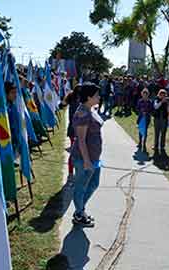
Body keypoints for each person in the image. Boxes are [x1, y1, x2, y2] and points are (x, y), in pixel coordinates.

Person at [70, 83, 103, 227]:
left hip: (94, 157)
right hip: (84, 158)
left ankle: (80, 210)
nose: (99, 97)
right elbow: (81, 140)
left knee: (94, 184)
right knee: (81, 186)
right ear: (89, 97)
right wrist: (87, 160)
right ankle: (79, 214)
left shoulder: (90, 109)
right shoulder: (82, 113)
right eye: (96, 95)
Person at [153, 89, 169, 153]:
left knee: (163, 133)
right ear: (159, 94)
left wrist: (168, 104)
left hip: (164, 119)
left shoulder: (168, 101)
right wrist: (161, 102)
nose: (162, 96)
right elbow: (156, 107)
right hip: (157, 118)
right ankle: (155, 146)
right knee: (157, 133)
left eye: (164, 95)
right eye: (161, 94)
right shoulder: (156, 100)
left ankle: (162, 146)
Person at [136, 88, 153, 153]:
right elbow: (137, 109)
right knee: (140, 130)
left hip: (147, 118)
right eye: (143, 94)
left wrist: (147, 112)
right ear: (142, 94)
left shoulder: (150, 101)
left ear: (148, 95)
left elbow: (152, 110)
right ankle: (140, 142)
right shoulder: (139, 101)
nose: (145, 96)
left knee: (145, 131)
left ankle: (144, 143)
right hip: (140, 118)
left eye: (146, 94)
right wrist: (141, 112)